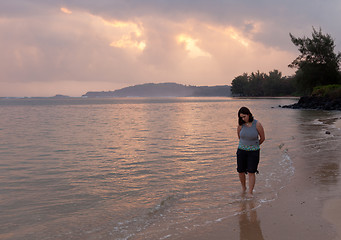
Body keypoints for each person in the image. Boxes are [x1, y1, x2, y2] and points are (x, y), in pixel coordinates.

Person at [237, 107, 265, 197]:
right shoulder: (240, 125)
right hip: (241, 151)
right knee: (240, 171)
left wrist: (254, 146)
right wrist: (245, 146)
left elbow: (262, 138)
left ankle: (250, 192)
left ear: (249, 114)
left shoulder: (257, 124)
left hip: (253, 152)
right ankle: (243, 188)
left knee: (251, 172)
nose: (243, 119)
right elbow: (240, 137)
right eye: (241, 117)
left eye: (244, 116)